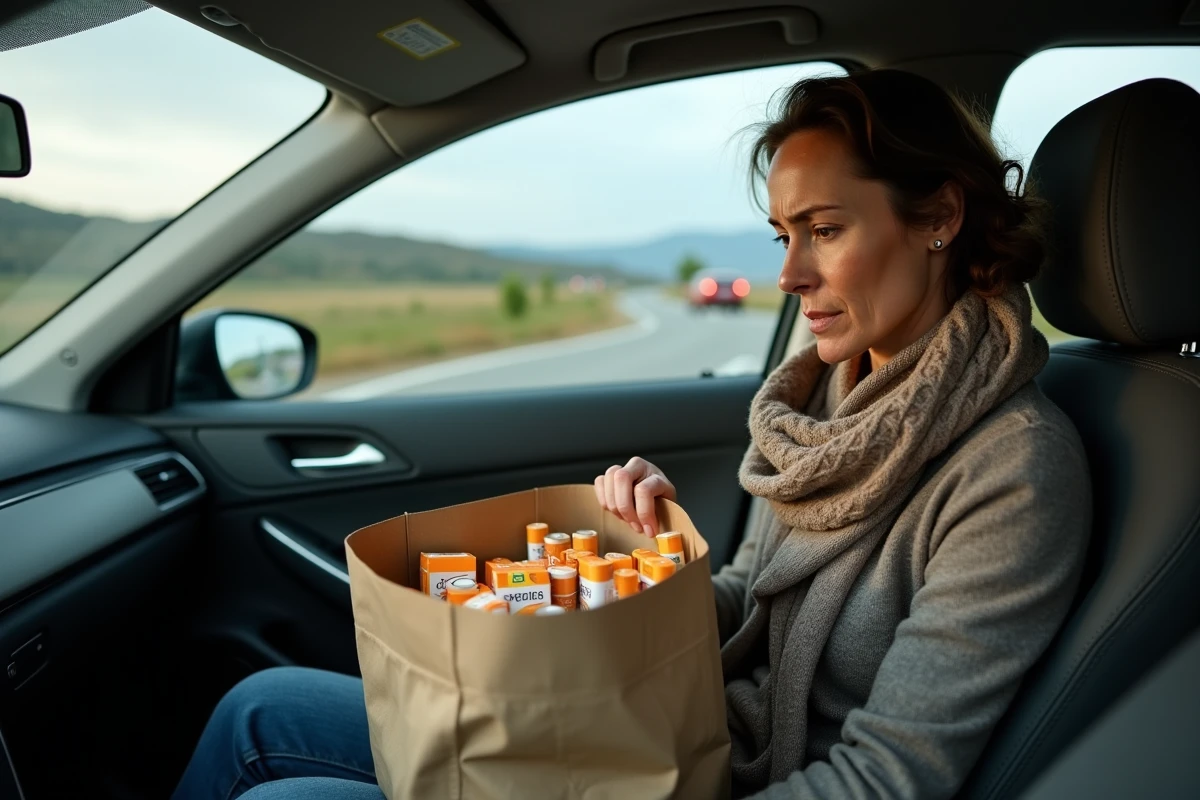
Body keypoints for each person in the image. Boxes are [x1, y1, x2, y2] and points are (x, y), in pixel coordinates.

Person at [172, 70, 1090, 800]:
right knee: (258, 709)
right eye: (780, 234)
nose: (788, 274)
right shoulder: (829, 403)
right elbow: (751, 601)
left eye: (825, 229)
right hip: (672, 735)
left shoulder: (1014, 471)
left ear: (937, 217)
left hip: (716, 776)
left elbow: (888, 780)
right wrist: (658, 568)